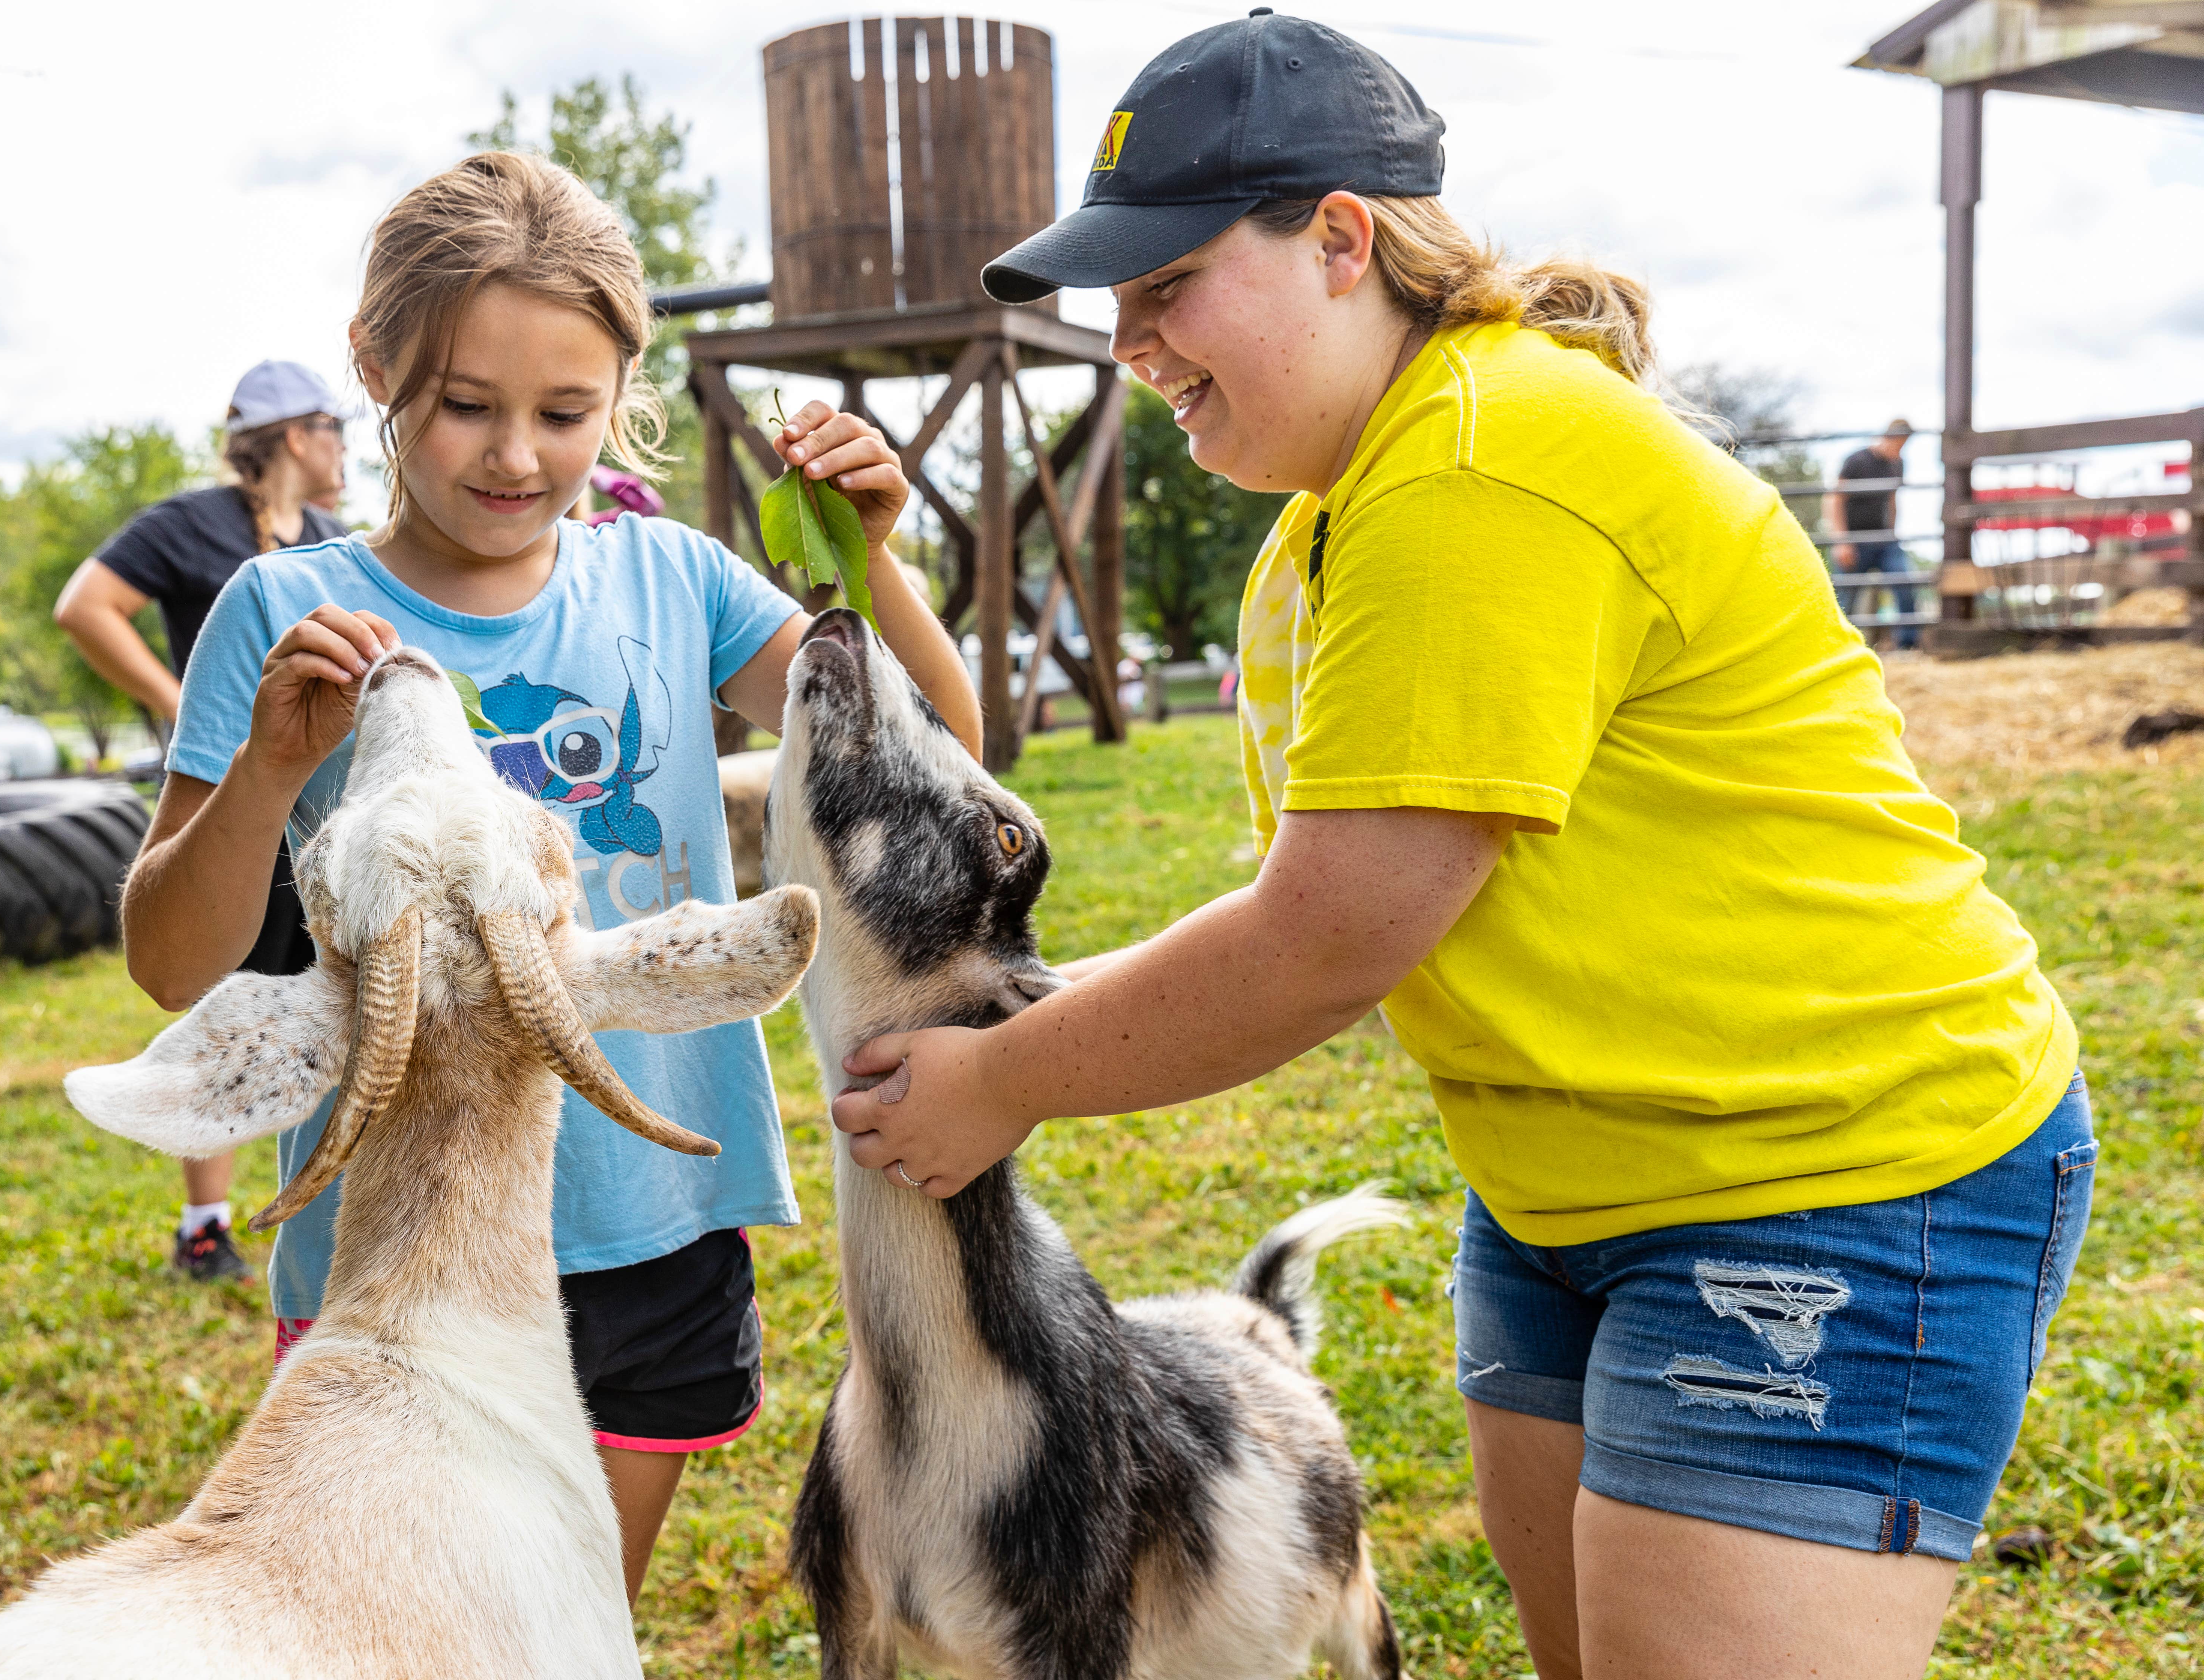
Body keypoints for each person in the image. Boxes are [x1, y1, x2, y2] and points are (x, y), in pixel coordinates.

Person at [833, 15, 2093, 1680]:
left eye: (1168, 283)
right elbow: (1314, 909)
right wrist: (1016, 1027)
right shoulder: (1330, 519)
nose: (1127, 340)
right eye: (1116, 299)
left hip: (1827, 1170)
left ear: (1338, 240)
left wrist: (1002, 1076)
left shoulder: (1474, 470)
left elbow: (1323, 940)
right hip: (1568, 1185)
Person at [114, 150, 980, 1601]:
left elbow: (935, 759)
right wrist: (265, 769)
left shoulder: (676, 583)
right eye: (467, 405)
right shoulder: (282, 610)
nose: (516, 455)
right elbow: (166, 963)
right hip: (400, 1255)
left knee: (571, 1616)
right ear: (375, 367)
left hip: (650, 1227)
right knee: (403, 1622)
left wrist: (872, 561)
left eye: (565, 414)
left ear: (621, 394)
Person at [54, 360, 353, 1282]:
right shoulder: (193, 523)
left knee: (323, 997)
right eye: (336, 427)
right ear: (298, 435)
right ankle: (205, 1226)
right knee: (226, 1004)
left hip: (319, 816)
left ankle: (337, 1193)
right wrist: (183, 702)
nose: (347, 446)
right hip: (227, 803)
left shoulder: (333, 540)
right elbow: (84, 605)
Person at [1828, 420, 1918, 651]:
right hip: (1854, 540)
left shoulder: (1898, 464)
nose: (1901, 451)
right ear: (1888, 437)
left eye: (1905, 445)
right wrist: (1842, 542)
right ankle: (1835, 649)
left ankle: (1908, 646)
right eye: (1899, 444)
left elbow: (1892, 500)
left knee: (1905, 581)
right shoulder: (1857, 461)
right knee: (1845, 597)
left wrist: (1893, 534)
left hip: (1884, 540)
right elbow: (1835, 500)